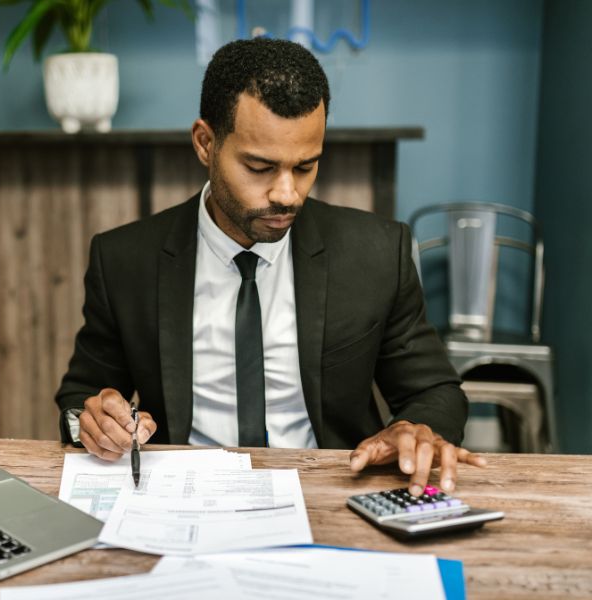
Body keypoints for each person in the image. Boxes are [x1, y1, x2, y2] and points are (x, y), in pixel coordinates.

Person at [56, 38, 486, 495]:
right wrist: (94, 421)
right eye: (260, 167)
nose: (287, 194)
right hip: (182, 495)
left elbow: (435, 392)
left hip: (333, 491)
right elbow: (80, 398)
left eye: (305, 166)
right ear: (205, 143)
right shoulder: (125, 259)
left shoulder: (377, 253)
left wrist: (415, 428)